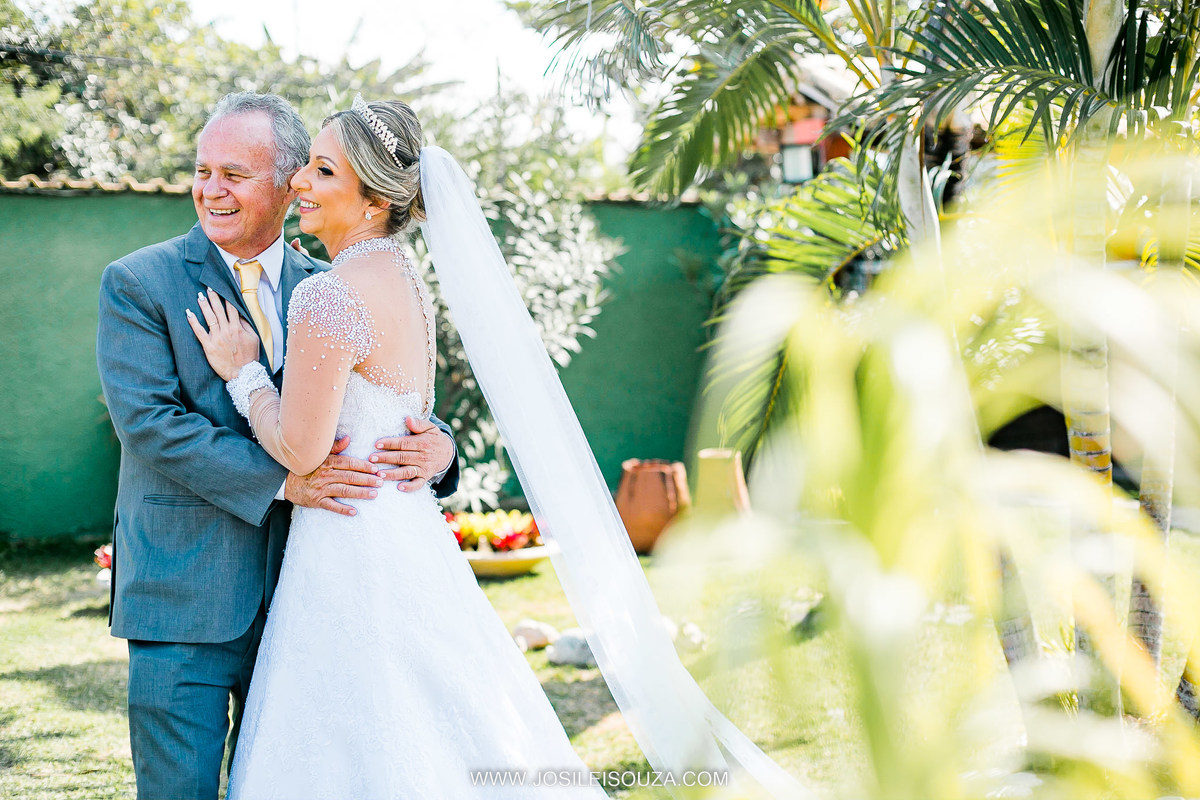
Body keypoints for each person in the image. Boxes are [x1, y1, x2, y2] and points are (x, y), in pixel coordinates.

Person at [191, 95, 811, 800]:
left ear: (370, 201)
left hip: (349, 544)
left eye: (323, 171)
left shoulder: (328, 297)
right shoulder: (406, 284)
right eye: (306, 166)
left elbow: (301, 450)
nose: (299, 181)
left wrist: (243, 373)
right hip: (408, 536)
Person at [95, 92, 459, 800]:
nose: (210, 189)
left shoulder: (333, 285)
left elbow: (390, 401)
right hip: (185, 598)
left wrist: (438, 448)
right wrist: (286, 483)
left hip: (312, 594)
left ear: (289, 181)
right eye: (203, 171)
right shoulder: (140, 283)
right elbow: (149, 424)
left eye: (234, 172)